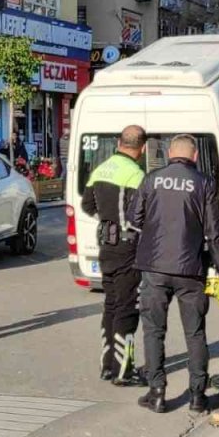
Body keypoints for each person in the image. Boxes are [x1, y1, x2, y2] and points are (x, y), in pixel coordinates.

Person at [129, 134, 219, 414]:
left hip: (154, 268)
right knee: (195, 333)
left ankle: (157, 392)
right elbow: (216, 232)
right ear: (195, 156)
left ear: (169, 154)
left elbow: (133, 218)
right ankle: (198, 397)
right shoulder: (204, 183)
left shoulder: (152, 179)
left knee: (153, 331)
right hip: (191, 270)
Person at [82, 125, 148, 386]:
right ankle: (124, 370)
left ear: (119, 142)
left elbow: (87, 205)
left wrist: (108, 222)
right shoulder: (135, 174)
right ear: (142, 149)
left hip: (106, 245)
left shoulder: (101, 168)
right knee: (127, 307)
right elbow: (142, 215)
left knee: (110, 304)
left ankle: (107, 364)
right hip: (127, 248)